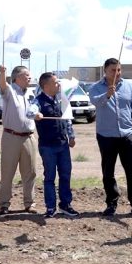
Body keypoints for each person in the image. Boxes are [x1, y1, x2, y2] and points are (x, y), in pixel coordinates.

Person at [88, 58, 132, 217]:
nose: (117, 73)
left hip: (128, 135)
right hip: (106, 136)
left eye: (119, 70)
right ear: (105, 71)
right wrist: (107, 94)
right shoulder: (95, 88)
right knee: (108, 172)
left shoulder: (129, 86)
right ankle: (111, 203)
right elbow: (96, 103)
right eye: (113, 70)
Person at [26, 72, 78, 218]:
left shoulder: (61, 100)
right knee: (50, 177)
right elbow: (29, 112)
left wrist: (71, 136)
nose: (58, 85)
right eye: (55, 83)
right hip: (47, 146)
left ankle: (65, 204)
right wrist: (36, 115)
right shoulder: (38, 101)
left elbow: (67, 118)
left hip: (63, 145)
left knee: (65, 175)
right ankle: (50, 207)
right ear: (46, 86)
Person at [0, 65, 38, 214]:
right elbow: (3, 85)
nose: (30, 77)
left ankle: (30, 203)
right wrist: (2, 73)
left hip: (29, 136)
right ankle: (4, 204)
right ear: (17, 78)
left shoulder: (31, 93)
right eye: (26, 75)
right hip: (11, 137)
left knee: (30, 171)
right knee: (8, 171)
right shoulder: (9, 90)